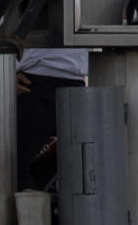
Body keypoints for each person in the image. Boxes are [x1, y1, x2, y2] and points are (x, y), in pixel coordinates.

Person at [16, 46, 88, 191]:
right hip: (73, 83)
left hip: (36, 80)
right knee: (53, 170)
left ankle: (34, 214)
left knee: (14, 168)